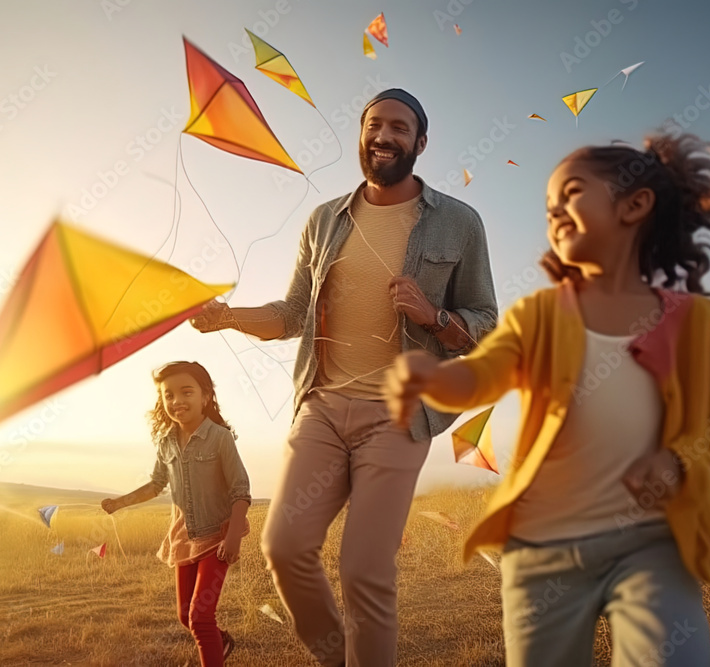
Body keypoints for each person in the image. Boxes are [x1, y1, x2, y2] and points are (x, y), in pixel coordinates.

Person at [385, 131, 710, 666]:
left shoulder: (692, 322)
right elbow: (485, 377)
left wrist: (675, 463)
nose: (555, 211)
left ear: (636, 205)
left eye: (572, 193)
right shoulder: (539, 316)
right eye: (548, 206)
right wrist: (432, 380)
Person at [190, 88, 498, 666]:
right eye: (374, 125)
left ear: (421, 143)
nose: (384, 136)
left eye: (400, 128)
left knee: (364, 569)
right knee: (283, 547)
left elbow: (486, 323)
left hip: (401, 414)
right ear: (362, 135)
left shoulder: (460, 222)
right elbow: (290, 314)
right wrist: (227, 317)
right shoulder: (324, 220)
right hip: (324, 408)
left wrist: (435, 318)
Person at [102, 361, 251, 666]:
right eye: (168, 395)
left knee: (200, 616)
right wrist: (120, 502)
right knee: (185, 616)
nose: (176, 401)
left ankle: (212, 648)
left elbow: (240, 490)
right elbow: (156, 484)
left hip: (217, 537)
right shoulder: (166, 442)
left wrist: (234, 535)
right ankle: (220, 641)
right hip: (184, 538)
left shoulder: (220, 438)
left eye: (186, 392)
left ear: (205, 396)